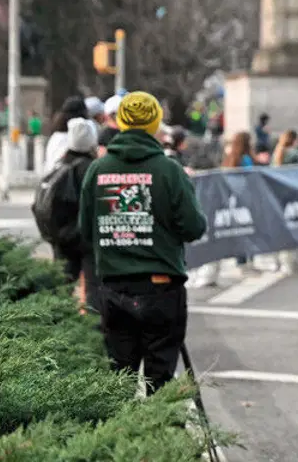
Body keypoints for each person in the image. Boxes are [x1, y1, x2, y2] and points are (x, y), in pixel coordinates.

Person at [77, 91, 207, 395]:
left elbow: (85, 230)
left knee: (118, 384)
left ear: (120, 122)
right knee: (161, 384)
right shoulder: (169, 171)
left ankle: (119, 440)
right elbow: (194, 227)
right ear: (156, 124)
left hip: (114, 287)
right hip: (161, 287)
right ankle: (161, 439)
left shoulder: (98, 170)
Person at [34, 117, 100, 311]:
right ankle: (92, 330)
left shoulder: (60, 164)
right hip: (85, 238)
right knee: (93, 290)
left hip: (61, 236)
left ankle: (54, 325)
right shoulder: (91, 168)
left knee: (61, 286)